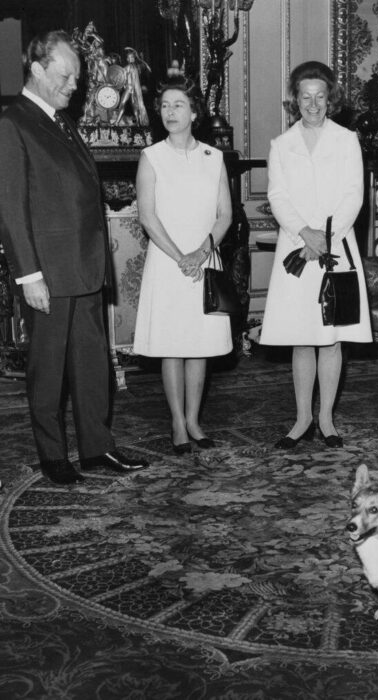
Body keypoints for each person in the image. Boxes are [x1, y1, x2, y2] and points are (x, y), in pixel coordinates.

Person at [0, 30, 149, 484]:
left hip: (85, 267)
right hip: (48, 270)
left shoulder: (61, 120)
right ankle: (53, 455)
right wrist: (30, 275)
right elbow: (10, 206)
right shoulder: (13, 122)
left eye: (77, 77)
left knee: (91, 363)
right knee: (48, 369)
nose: (74, 86)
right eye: (66, 76)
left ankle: (96, 448)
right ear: (38, 69)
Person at [260, 61, 372, 449]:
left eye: (320, 96)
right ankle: (302, 417)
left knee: (331, 336)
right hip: (296, 250)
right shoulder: (281, 145)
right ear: (295, 100)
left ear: (330, 99)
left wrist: (324, 238)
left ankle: (326, 419)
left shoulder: (346, 140)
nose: (313, 104)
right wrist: (303, 233)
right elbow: (277, 196)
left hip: (334, 249)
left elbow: (353, 195)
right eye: (305, 97)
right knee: (301, 336)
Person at [133, 76, 232, 454]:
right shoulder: (151, 157)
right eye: (165, 106)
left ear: (194, 111)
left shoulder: (213, 157)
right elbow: (147, 216)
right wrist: (180, 257)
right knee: (172, 344)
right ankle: (177, 422)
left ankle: (194, 419)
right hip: (168, 262)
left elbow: (224, 214)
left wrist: (202, 252)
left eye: (178, 105)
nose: (171, 112)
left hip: (204, 260)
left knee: (200, 344)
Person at [115, 47, 150, 127]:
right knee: (131, 105)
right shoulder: (132, 68)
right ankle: (136, 122)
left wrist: (138, 56)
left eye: (132, 57)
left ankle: (118, 122)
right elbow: (120, 78)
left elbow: (119, 76)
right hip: (131, 89)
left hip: (130, 89)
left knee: (124, 104)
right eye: (130, 57)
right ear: (127, 59)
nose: (131, 59)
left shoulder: (132, 67)